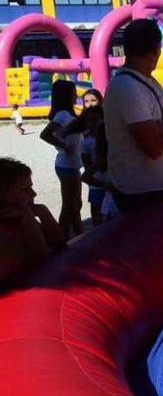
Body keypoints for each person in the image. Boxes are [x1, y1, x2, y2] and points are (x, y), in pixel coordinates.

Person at [103, 19, 163, 214]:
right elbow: (153, 147)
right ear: (157, 49)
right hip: (140, 194)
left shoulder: (148, 81)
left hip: (156, 187)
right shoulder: (126, 87)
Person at [0, 157, 65, 285]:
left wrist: (43, 212)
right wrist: (29, 216)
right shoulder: (5, 230)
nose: (33, 193)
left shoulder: (18, 217)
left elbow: (60, 246)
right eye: (24, 189)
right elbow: (43, 263)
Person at [39, 80, 83, 238]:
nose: (76, 95)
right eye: (73, 92)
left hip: (71, 165)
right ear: (66, 95)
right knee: (70, 204)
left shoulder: (68, 114)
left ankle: (76, 234)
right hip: (66, 165)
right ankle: (65, 236)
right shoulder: (63, 115)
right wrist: (64, 146)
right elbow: (45, 134)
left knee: (75, 203)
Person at [75, 106, 106, 227]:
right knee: (97, 217)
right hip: (97, 184)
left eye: (96, 119)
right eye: (89, 121)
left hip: (113, 182)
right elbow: (87, 167)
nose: (93, 124)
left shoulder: (112, 137)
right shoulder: (86, 142)